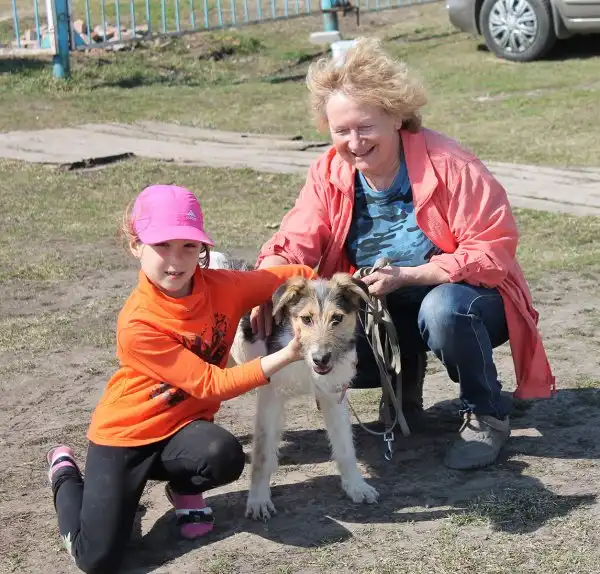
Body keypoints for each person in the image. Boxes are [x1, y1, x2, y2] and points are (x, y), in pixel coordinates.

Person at [251, 37, 555, 471]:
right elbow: (294, 240)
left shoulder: (452, 165)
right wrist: (261, 288)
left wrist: (413, 274)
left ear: (396, 116)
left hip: (467, 302)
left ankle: (486, 412)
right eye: (341, 131)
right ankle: (403, 388)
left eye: (365, 126)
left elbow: (492, 249)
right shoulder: (328, 171)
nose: (354, 142)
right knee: (321, 333)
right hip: (383, 308)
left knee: (443, 309)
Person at [45, 184, 317, 574]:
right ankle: (64, 471)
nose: (176, 261)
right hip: (125, 436)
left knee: (224, 455)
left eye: (189, 246)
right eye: (162, 245)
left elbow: (299, 276)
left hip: (181, 429)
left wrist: (275, 300)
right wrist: (287, 354)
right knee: (96, 559)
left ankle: (185, 490)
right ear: (136, 245)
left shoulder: (224, 288)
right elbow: (211, 384)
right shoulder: (138, 323)